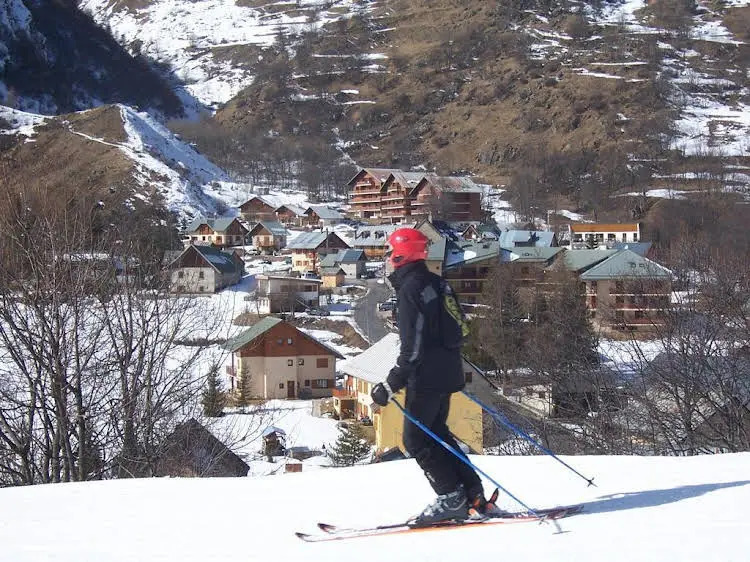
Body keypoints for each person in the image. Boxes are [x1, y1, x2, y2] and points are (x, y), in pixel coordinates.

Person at [370, 227, 499, 525]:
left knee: (415, 441)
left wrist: (392, 383)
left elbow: (413, 346)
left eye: (390, 252)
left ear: (401, 255)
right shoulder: (438, 283)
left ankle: (451, 497)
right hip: (448, 371)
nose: (387, 258)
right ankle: (472, 493)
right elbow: (460, 327)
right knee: (437, 433)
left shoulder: (411, 289)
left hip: (425, 376)